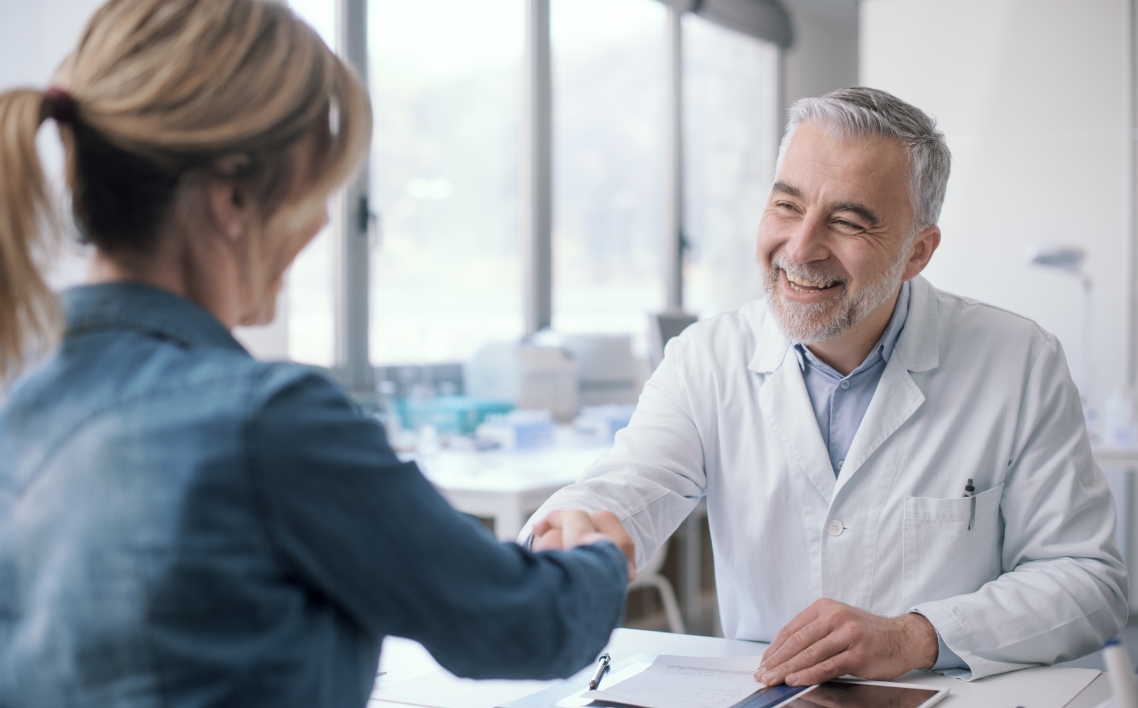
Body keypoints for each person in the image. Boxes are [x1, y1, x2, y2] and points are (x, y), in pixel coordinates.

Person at [0, 1, 636, 706]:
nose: (326, 221)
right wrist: (601, 557)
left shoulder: (18, 394)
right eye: (315, 189)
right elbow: (531, 625)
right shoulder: (266, 424)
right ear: (234, 197)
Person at [524, 87, 1128, 684]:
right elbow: (629, 484)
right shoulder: (706, 360)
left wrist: (915, 636)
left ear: (918, 251)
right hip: (767, 695)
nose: (801, 247)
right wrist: (576, 524)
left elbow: (1088, 579)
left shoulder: (1018, 359)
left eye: (847, 221)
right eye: (787, 206)